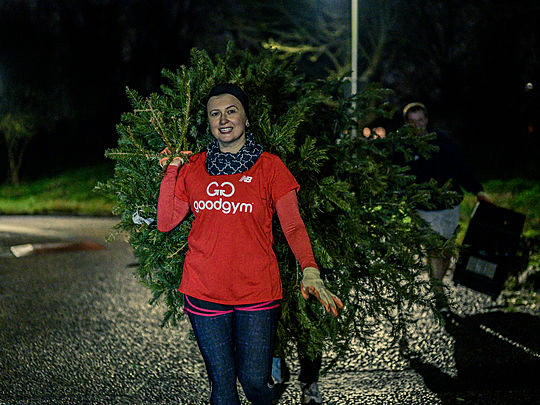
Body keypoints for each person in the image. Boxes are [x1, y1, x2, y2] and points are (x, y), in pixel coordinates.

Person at [157, 83, 343, 405]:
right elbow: (166, 221)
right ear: (209, 121)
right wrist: (173, 169)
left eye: (231, 110)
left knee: (256, 382)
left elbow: (294, 225)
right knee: (223, 388)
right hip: (203, 290)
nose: (223, 119)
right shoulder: (195, 168)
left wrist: (310, 269)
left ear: (245, 117)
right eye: (215, 113)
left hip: (257, 291)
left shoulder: (270, 167)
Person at [403, 102, 491, 310]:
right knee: (433, 248)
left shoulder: (442, 141)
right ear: (407, 123)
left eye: (420, 120)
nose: (417, 125)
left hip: (449, 206)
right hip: (424, 210)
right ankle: (438, 292)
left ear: (426, 120)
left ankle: (438, 283)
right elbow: (398, 176)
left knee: (446, 251)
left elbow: (460, 168)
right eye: (412, 121)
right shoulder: (403, 148)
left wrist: (477, 190)